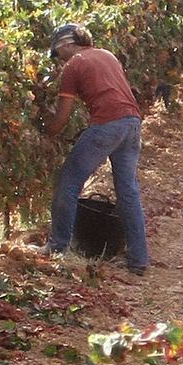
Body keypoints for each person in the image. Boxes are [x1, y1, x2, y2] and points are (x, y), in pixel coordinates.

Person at [43, 23, 150, 275]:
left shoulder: (75, 64)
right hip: (132, 123)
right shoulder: (106, 55)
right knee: (128, 192)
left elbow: (63, 114)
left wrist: (48, 135)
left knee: (67, 182)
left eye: (58, 54)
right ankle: (138, 260)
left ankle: (58, 247)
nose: (60, 61)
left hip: (107, 125)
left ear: (67, 45)